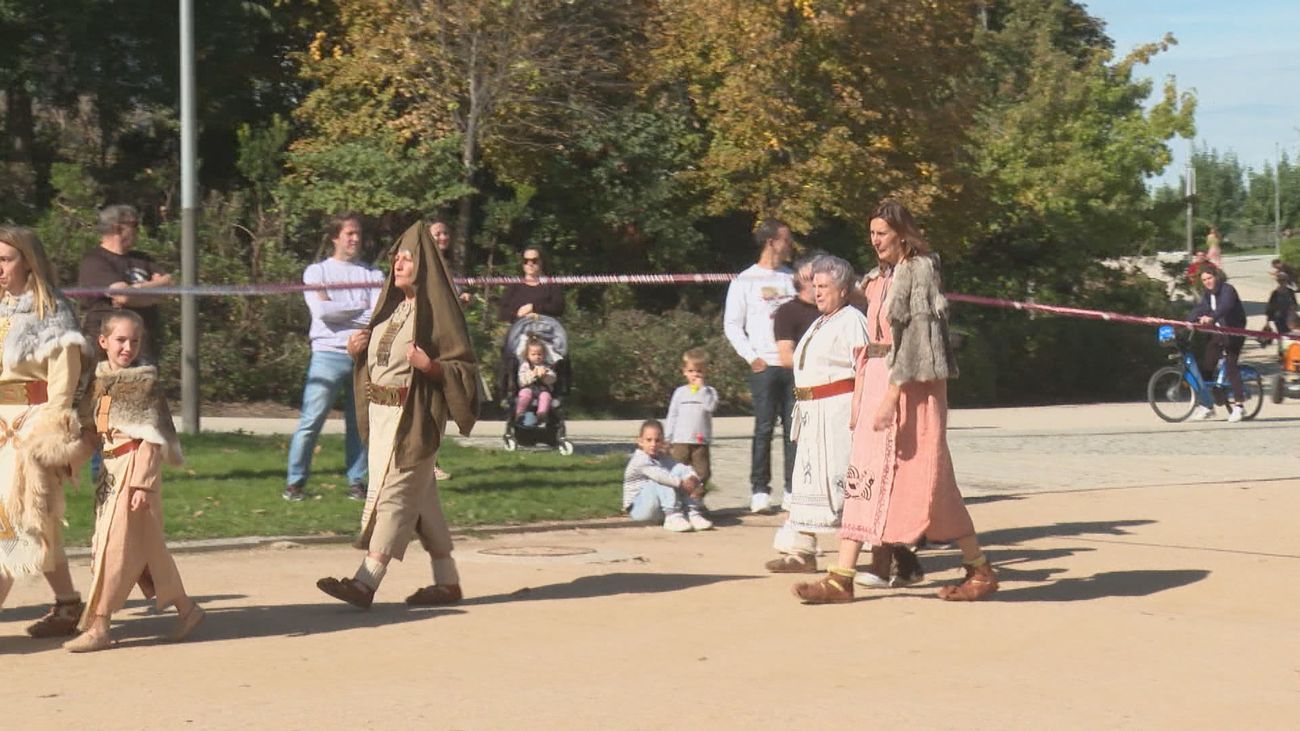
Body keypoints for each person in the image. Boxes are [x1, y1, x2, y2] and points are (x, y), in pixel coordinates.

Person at [793, 200, 997, 603]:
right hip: (876, 383)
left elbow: (918, 343)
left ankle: (979, 569)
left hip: (910, 392)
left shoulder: (919, 273)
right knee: (863, 479)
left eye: (882, 233)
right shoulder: (878, 279)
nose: (875, 240)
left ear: (902, 234)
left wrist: (891, 396)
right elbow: (871, 344)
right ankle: (841, 578)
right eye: (871, 233)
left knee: (931, 484)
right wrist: (863, 397)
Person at [316, 221, 480, 609]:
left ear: (424, 266)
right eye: (397, 258)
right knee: (423, 506)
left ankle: (365, 582)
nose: (398, 264)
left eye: (407, 258)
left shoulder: (438, 315)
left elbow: (464, 370)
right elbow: (381, 365)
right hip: (382, 418)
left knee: (393, 497)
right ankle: (448, 583)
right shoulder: (391, 310)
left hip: (415, 420)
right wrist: (358, 352)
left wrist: (431, 367)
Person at [64, 311, 203, 652]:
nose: (128, 348)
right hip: (110, 474)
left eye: (134, 341)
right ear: (103, 342)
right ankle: (187, 610)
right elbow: (92, 434)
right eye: (121, 340)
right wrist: (68, 464)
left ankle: (100, 625)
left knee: (112, 549)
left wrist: (142, 484)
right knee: (148, 549)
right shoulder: (99, 382)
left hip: (134, 474)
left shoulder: (144, 385)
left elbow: (151, 441)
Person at [0, 225, 95, 635]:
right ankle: (69, 605)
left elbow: (64, 381)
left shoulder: (52, 310)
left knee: (19, 519)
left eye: (5, 259)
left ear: (28, 261)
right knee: (33, 522)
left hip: (32, 425)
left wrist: (51, 435)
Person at [765, 256, 867, 573]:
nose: (817, 292)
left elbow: (866, 368)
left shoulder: (852, 321)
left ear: (843, 289)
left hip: (837, 414)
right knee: (805, 483)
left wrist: (859, 409)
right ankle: (802, 552)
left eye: (824, 287)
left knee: (842, 487)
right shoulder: (821, 322)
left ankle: (885, 555)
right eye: (816, 286)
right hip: (812, 413)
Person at [285, 213, 385, 502]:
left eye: (358, 234)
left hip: (363, 356)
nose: (355, 239)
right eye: (349, 233)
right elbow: (322, 312)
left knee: (360, 424)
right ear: (335, 237)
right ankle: (294, 483)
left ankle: (357, 481)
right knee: (311, 420)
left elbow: (377, 315)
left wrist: (339, 307)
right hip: (327, 354)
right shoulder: (316, 273)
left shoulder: (373, 275)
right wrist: (358, 306)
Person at [723, 219, 797, 513]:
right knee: (764, 428)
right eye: (786, 239)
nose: (790, 245)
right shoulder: (745, 280)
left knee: (794, 431)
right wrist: (752, 357)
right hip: (764, 367)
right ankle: (759, 491)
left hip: (793, 366)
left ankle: (792, 490)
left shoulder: (793, 278)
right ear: (771, 242)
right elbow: (732, 325)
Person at [77, 205, 172, 365]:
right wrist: (152, 289)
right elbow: (123, 296)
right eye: (135, 225)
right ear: (117, 228)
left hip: (144, 348)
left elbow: (169, 286)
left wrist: (136, 290)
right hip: (108, 354)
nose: (138, 231)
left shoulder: (143, 259)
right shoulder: (95, 261)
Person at [622, 420, 712, 532]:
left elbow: (682, 468)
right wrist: (683, 484)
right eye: (649, 440)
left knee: (679, 470)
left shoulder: (662, 457)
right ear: (640, 441)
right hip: (638, 509)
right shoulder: (640, 459)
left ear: (662, 442)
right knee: (663, 478)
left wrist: (693, 479)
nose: (653, 444)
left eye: (657, 440)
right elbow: (660, 476)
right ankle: (672, 516)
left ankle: (692, 513)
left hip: (658, 509)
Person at [1189, 263, 1248, 422]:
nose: (1207, 282)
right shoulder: (1207, 295)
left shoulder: (1228, 290)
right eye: (1204, 280)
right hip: (1218, 333)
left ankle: (1239, 406)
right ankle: (1207, 406)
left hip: (1234, 333)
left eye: (1209, 278)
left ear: (1216, 277)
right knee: (1207, 367)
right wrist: (1186, 322)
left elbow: (1225, 307)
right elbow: (1199, 309)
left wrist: (1212, 317)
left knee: (1231, 366)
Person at [664, 348, 718, 492]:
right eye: (691, 371)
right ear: (684, 372)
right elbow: (673, 414)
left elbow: (710, 407)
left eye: (699, 371)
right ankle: (678, 497)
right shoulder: (680, 392)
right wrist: (668, 437)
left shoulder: (710, 392)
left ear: (706, 371)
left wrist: (702, 389)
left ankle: (696, 497)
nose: (695, 374)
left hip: (700, 440)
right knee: (678, 469)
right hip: (680, 440)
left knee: (702, 472)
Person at [497, 246, 565, 324]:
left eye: (534, 260)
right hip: (518, 328)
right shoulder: (514, 285)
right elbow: (503, 312)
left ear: (541, 262)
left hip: (545, 328)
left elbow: (558, 308)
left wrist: (533, 308)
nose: (530, 264)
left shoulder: (551, 285)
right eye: (526, 261)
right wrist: (519, 316)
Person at [515, 337, 557, 426]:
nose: (537, 357)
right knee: (524, 394)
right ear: (527, 355)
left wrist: (545, 376)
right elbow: (522, 380)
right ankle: (520, 413)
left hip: (543, 389)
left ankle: (541, 414)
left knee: (546, 396)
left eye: (539, 354)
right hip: (528, 387)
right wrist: (532, 375)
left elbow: (552, 379)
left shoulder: (546, 366)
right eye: (533, 354)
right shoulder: (525, 366)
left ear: (544, 355)